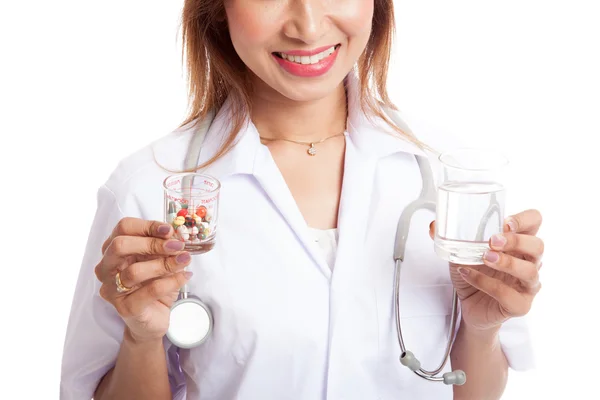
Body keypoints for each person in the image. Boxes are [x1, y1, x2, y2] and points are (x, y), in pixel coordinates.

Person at [60, 0, 544, 398]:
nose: (308, 26)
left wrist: (482, 330)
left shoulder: (446, 175)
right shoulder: (149, 187)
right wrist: (142, 339)